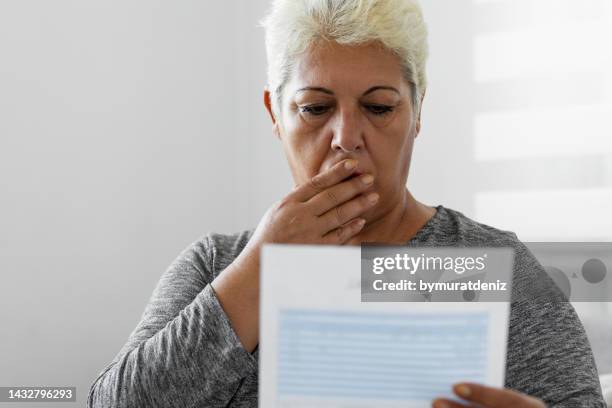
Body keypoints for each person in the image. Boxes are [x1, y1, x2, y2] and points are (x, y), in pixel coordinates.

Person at [87, 0, 605, 407]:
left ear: (418, 113)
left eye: (378, 107)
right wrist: (264, 266)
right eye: (315, 108)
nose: (346, 137)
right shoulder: (216, 264)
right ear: (275, 112)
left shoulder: (498, 270)